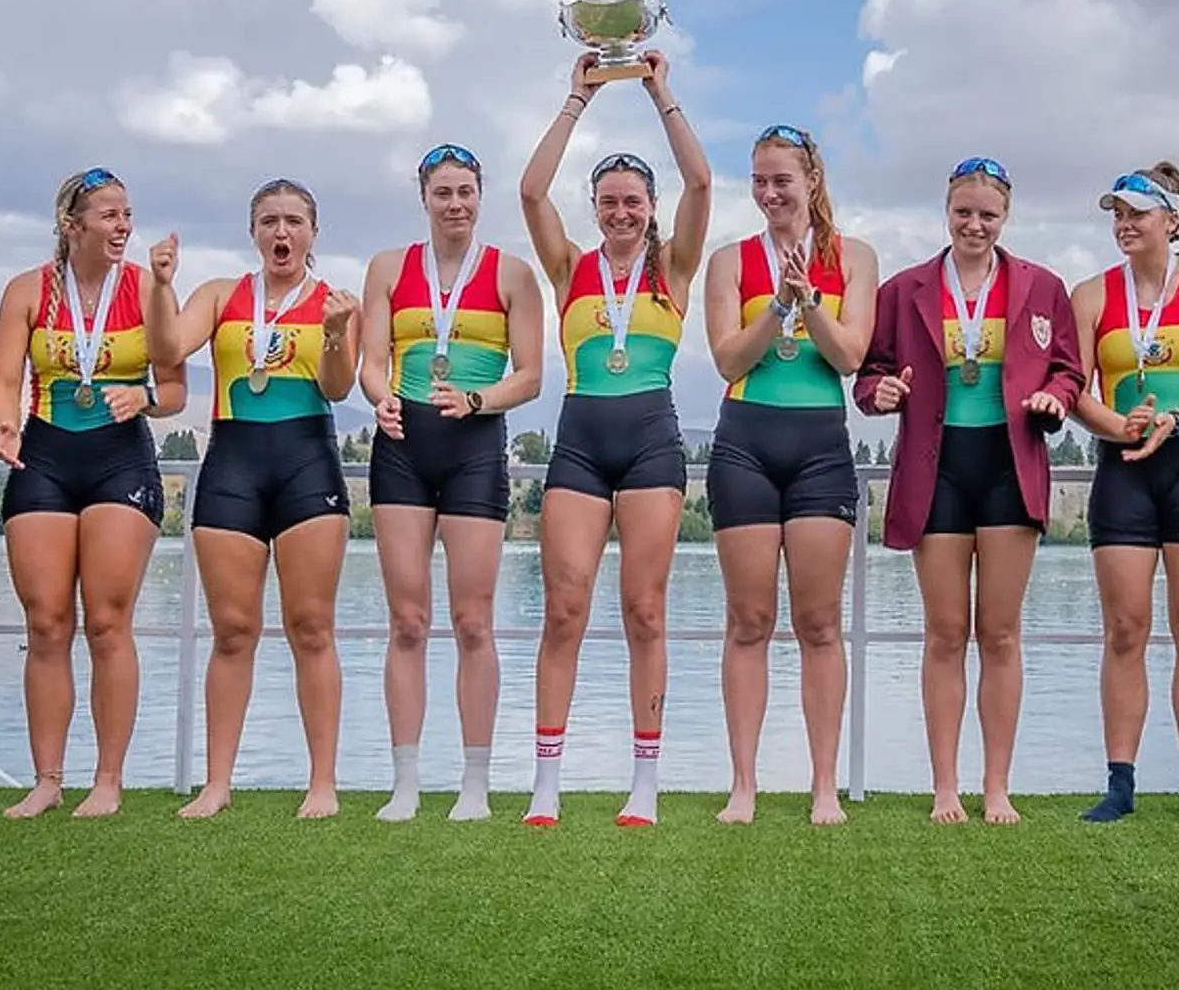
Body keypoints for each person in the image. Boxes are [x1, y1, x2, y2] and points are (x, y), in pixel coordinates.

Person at [854, 157, 1083, 825]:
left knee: (1001, 634)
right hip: (938, 469)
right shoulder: (904, 289)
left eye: (988, 214)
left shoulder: (1042, 286)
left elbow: (1070, 370)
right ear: (946, 211)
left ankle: (997, 786)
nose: (974, 225)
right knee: (946, 632)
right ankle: (946, 786)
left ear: (1006, 216)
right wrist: (879, 392)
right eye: (963, 212)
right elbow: (868, 373)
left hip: (1011, 466)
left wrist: (1055, 398)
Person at [516, 49, 711, 826]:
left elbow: (703, 183)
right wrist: (578, 98)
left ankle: (645, 780)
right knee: (564, 609)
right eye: (609, 202)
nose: (621, 212)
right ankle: (546, 780)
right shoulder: (570, 269)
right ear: (595, 208)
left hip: (652, 444)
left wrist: (661, 93)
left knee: (644, 611)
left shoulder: (675, 266)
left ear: (651, 206)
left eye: (633, 200)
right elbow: (532, 191)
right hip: (580, 445)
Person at [146, 179, 360, 820]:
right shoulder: (220, 295)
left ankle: (322, 783)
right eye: (269, 221)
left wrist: (334, 333)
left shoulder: (335, 301)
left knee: (311, 627)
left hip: (307, 463)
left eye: (293, 221)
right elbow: (167, 349)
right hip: (232, 464)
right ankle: (217, 783)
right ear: (253, 231)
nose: (281, 232)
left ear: (313, 232)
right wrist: (161, 285)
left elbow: (339, 387)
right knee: (233, 630)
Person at [0, 167, 189, 820]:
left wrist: (144, 397)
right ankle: (47, 780)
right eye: (109, 215)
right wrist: (6, 425)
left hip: (120, 460)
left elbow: (176, 389)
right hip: (44, 455)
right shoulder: (27, 290)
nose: (123, 226)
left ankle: (108, 779)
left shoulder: (148, 287)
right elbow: (3, 381)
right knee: (47, 622)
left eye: (127, 213)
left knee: (106, 620)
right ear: (72, 225)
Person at [357, 143, 544, 823]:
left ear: (480, 196)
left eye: (465, 191)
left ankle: (475, 782)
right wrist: (380, 396)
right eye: (443, 192)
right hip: (402, 448)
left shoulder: (512, 274)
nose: (455, 204)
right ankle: (405, 781)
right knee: (407, 621)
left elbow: (531, 375)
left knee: (473, 621)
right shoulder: (388, 268)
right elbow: (371, 363)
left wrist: (476, 400)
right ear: (424, 198)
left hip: (474, 448)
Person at [703, 124, 879, 826]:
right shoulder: (729, 260)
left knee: (819, 622)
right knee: (749, 620)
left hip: (820, 449)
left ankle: (824, 785)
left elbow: (850, 357)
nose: (770, 193)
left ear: (811, 181)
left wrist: (807, 300)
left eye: (782, 180)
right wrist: (776, 302)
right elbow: (727, 359)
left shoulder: (854, 257)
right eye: (760, 181)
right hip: (744, 444)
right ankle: (743, 784)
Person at [1067, 163, 1179, 825]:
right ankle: (1120, 783)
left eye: (1137, 213)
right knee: (1125, 629)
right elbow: (1073, 388)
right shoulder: (1091, 294)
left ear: (1172, 220)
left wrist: (1178, 418)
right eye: (1117, 214)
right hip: (1123, 470)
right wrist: (1118, 425)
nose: (1125, 224)